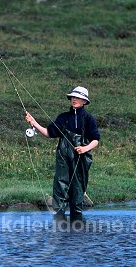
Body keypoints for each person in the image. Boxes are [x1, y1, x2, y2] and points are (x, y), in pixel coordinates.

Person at [25, 86, 100, 219]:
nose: (75, 99)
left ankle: (77, 219)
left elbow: (95, 140)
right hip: (63, 156)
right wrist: (34, 123)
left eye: (78, 97)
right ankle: (59, 218)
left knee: (78, 187)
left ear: (84, 102)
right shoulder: (63, 117)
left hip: (81, 158)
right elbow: (49, 133)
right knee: (60, 183)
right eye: (73, 97)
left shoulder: (89, 119)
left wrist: (84, 148)